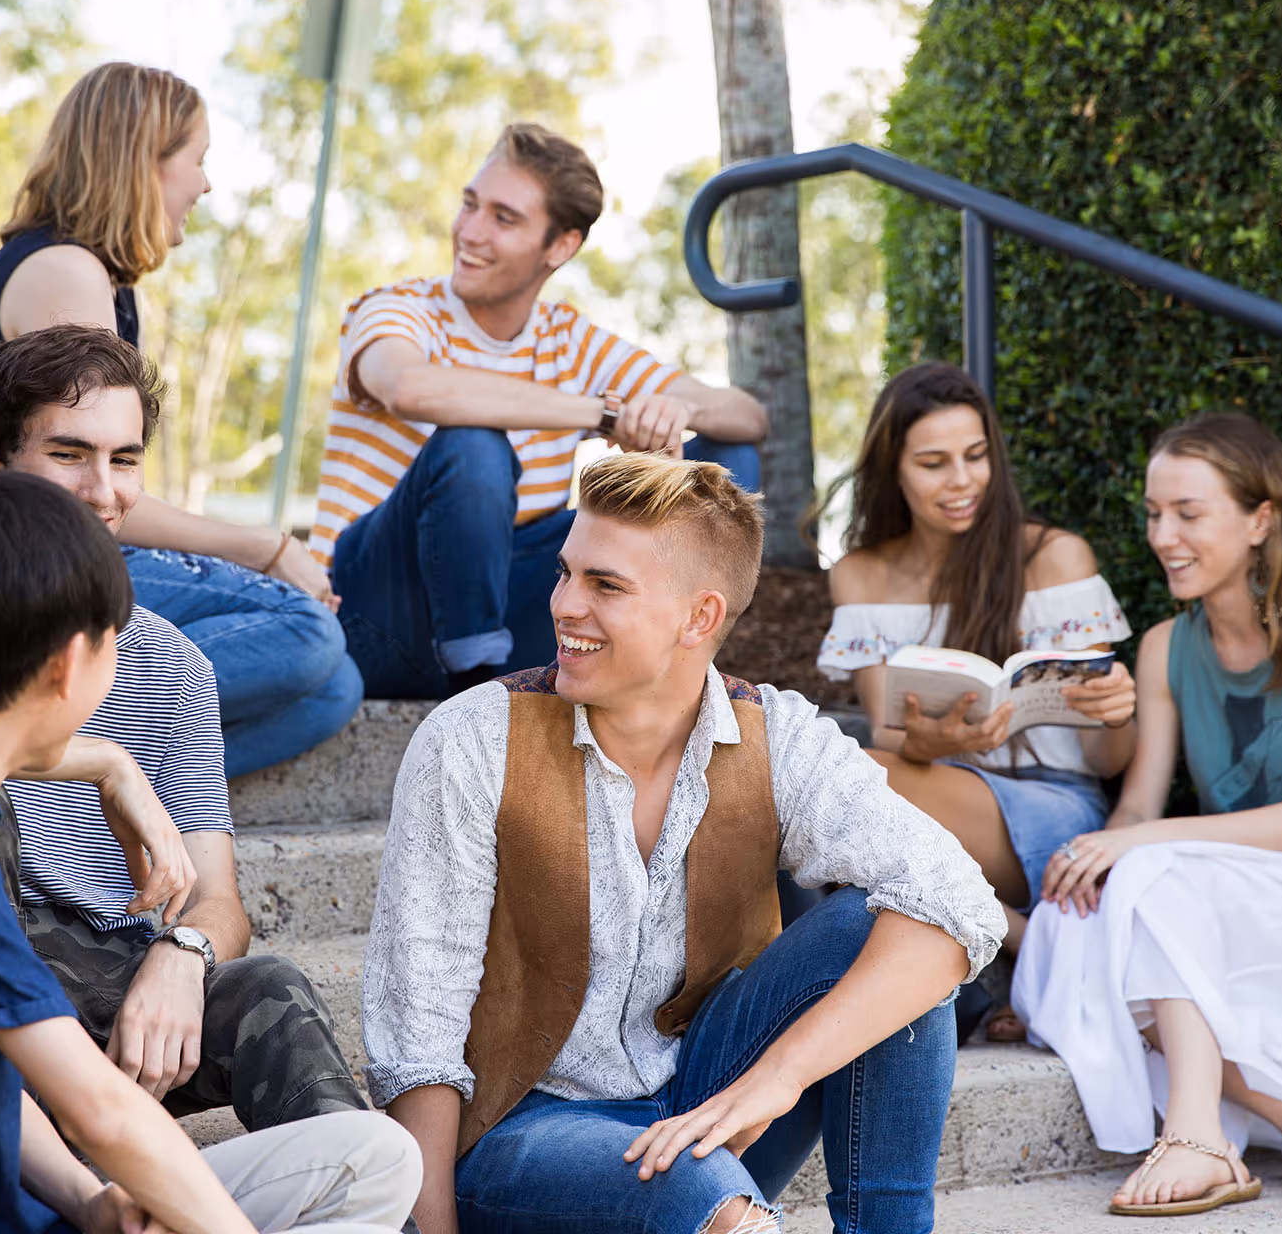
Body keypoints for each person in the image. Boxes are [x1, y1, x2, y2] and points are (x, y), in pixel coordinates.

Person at [0, 471, 420, 1234]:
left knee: (376, 1155)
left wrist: (86, 1198)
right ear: (70, 665)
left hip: (22, 1194)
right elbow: (102, 1114)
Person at [363, 452, 1007, 1234]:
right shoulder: (470, 742)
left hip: (708, 1112)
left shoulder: (780, 737)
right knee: (688, 1191)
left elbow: (962, 902)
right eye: (567, 573)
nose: (565, 604)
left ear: (699, 617)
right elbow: (419, 1034)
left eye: (606, 585)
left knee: (905, 934)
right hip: (525, 1139)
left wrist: (775, 1080)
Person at [0, 325, 368, 1137]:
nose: (103, 491)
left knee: (270, 989)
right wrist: (103, 762)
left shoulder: (172, 663)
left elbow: (219, 901)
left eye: (126, 459)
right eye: (69, 454)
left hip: (112, 977)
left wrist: (184, 955)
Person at [1012, 411, 1282, 1217]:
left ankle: (1196, 1134)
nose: (1164, 535)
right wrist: (1095, 853)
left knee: (1138, 882)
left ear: (1261, 519)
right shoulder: (1163, 648)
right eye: (1154, 514)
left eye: (1189, 513)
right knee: (1079, 917)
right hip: (1243, 928)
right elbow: (1140, 806)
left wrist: (1135, 842)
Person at [0, 60, 357, 777]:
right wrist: (264, 548)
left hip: (37, 547)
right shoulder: (63, 273)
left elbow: (96, 485)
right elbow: (82, 489)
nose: (204, 184)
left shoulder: (95, 278)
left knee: (334, 692)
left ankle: (70, 791)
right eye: (196, 160)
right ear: (143, 164)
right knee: (305, 632)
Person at [312, 122, 771, 698]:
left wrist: (666, 408)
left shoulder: (570, 339)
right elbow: (407, 386)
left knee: (724, 457)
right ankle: (478, 698)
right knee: (472, 446)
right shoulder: (397, 309)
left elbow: (746, 414)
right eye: (470, 205)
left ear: (560, 246)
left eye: (503, 218)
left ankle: (671, 669)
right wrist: (604, 414)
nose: (470, 232)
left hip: (512, 602)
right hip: (374, 611)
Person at [815, 362, 1138, 1036]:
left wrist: (1118, 711)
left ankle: (1014, 944)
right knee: (841, 773)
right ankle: (1016, 947)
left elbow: (1107, 762)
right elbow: (895, 734)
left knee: (837, 775)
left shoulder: (1052, 558)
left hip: (1052, 814)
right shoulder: (862, 574)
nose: (962, 482)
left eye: (976, 456)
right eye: (934, 463)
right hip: (936, 792)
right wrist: (934, 743)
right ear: (893, 469)